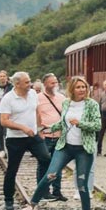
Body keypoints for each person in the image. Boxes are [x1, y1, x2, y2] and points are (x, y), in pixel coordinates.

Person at [21, 76, 100, 210]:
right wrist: (49, 128)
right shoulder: (66, 103)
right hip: (65, 146)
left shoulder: (92, 104)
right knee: (50, 174)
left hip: (84, 149)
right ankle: (31, 205)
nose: (82, 90)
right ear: (72, 89)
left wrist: (81, 123)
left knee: (82, 183)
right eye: (78, 87)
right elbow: (63, 122)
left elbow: (97, 125)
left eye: (83, 87)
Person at [0, 71, 50, 210]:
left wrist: (39, 128)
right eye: (26, 82)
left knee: (46, 158)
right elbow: (3, 121)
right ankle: (8, 199)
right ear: (17, 84)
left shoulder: (33, 94)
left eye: (29, 81)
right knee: (12, 169)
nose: (30, 84)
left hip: (32, 135)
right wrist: (22, 127)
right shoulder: (8, 98)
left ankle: (42, 190)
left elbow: (36, 111)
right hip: (15, 138)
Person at [36, 73, 66, 201]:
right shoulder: (38, 98)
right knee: (44, 164)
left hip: (60, 135)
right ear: (45, 84)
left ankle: (57, 191)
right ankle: (43, 191)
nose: (54, 85)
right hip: (46, 135)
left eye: (56, 82)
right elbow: (34, 115)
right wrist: (38, 131)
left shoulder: (62, 98)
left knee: (58, 164)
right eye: (51, 83)